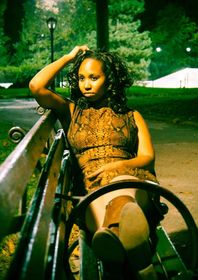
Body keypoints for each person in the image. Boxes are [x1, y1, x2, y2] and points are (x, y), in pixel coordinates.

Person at [29, 45, 160, 279]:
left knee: (122, 195)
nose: (86, 84)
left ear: (109, 79)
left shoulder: (132, 115)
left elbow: (147, 158)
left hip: (128, 178)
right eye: (81, 78)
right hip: (91, 188)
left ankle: (115, 243)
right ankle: (136, 258)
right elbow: (36, 86)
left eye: (93, 77)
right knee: (107, 212)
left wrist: (116, 166)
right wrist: (69, 57)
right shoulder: (71, 111)